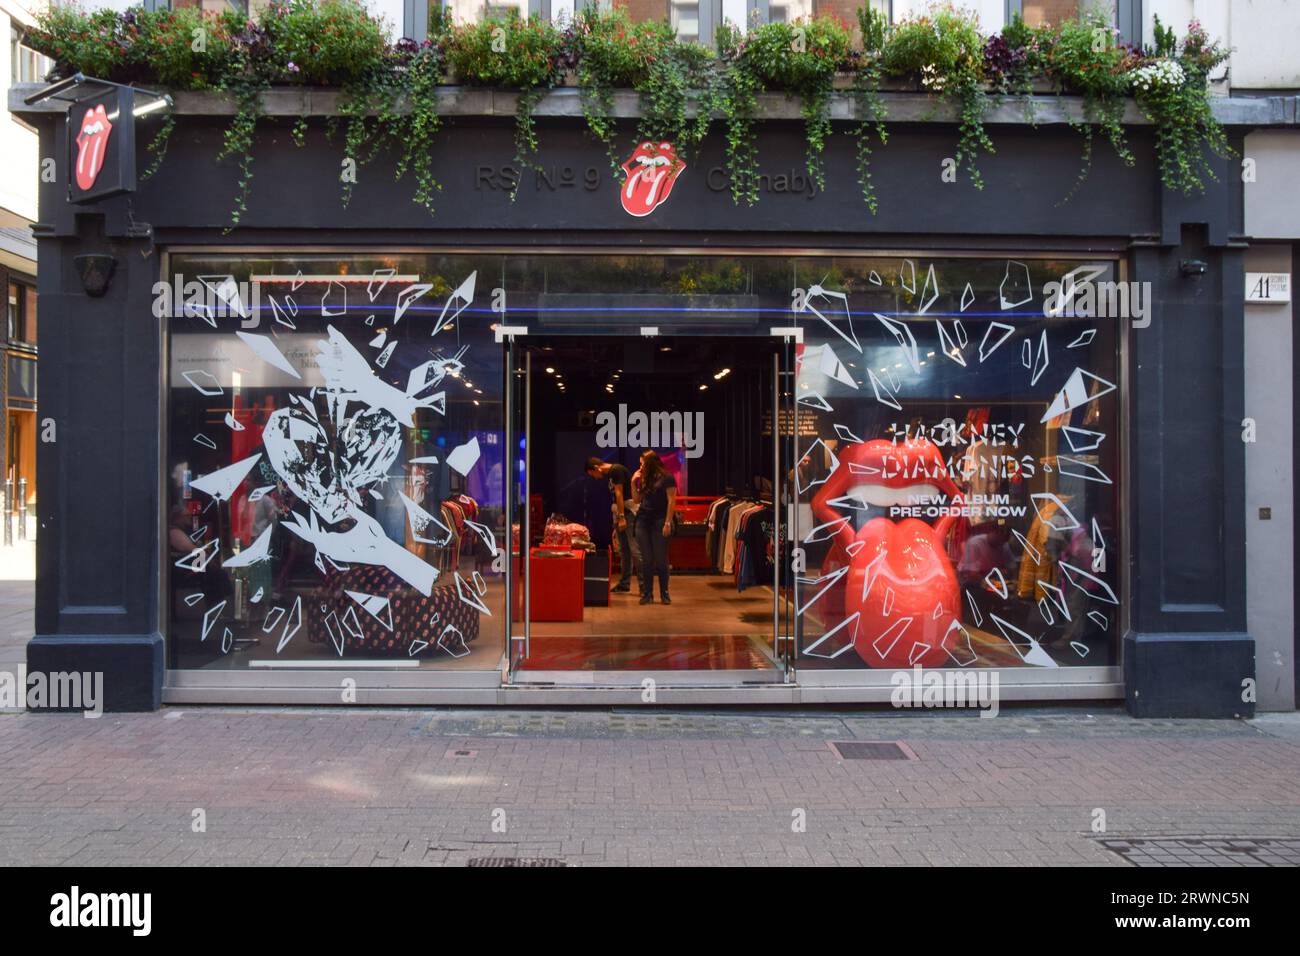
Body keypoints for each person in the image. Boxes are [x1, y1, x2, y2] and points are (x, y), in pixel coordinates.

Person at [585, 456, 636, 592]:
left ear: (596, 468)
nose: (595, 477)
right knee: (624, 551)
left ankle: (645, 588)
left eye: (593, 474)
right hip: (620, 513)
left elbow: (619, 494)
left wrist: (621, 517)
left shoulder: (616, 470)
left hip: (627, 513)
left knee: (635, 550)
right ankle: (625, 584)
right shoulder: (610, 474)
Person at [633, 451, 677, 605]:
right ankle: (648, 593)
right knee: (646, 559)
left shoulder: (667, 477)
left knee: (660, 559)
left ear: (650, 463)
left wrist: (667, 522)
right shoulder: (645, 478)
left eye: (642, 463)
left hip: (659, 520)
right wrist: (634, 482)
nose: (640, 466)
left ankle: (664, 593)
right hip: (643, 520)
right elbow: (637, 499)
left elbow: (671, 501)